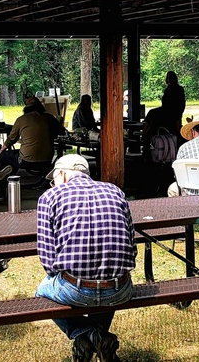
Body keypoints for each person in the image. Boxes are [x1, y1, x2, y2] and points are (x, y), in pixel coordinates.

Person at [35, 154, 135, 362]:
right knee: (103, 289)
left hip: (76, 289)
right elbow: (131, 247)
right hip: (120, 289)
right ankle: (98, 337)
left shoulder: (50, 197)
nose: (53, 184)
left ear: (61, 174)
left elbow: (47, 260)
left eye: (54, 179)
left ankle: (85, 334)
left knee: (40, 291)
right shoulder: (115, 191)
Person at [0, 96, 65, 190]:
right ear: (40, 106)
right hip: (47, 159)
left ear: (26, 108)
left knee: (4, 157)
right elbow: (62, 131)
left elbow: (12, 138)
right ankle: (12, 170)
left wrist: (2, 150)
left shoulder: (21, 119)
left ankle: (0, 191)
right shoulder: (50, 118)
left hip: (26, 159)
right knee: (14, 158)